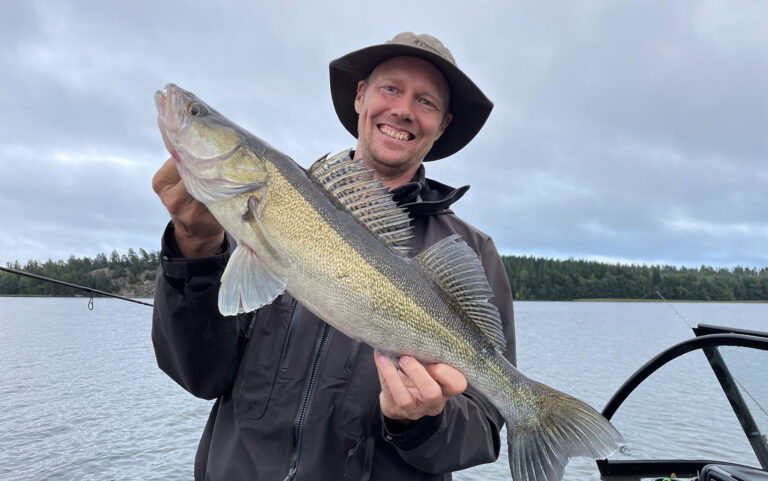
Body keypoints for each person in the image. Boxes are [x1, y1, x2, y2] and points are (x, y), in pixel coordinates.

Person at [151, 32, 516, 481]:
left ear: (441, 125)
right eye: (390, 88)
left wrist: (422, 422)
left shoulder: (471, 252)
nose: (403, 109)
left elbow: (484, 426)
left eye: (426, 101)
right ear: (361, 96)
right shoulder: (256, 221)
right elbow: (200, 375)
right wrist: (195, 253)